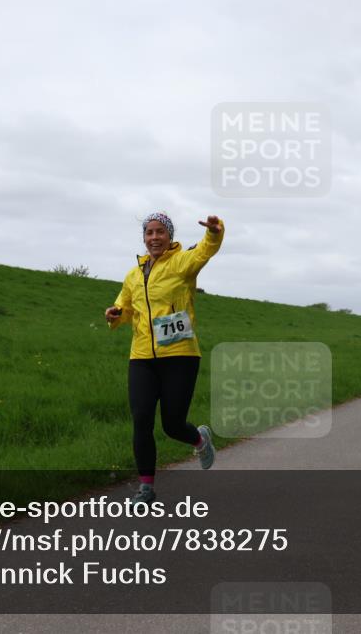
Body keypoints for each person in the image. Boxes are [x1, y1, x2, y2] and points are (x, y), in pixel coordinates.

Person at [105, 212, 224, 507]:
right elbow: (126, 306)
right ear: (144, 238)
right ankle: (146, 489)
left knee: (172, 425)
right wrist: (115, 315)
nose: (154, 237)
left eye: (160, 232)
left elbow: (205, 250)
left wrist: (214, 233)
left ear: (169, 236)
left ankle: (199, 439)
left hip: (180, 356)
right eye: (149, 233)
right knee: (141, 420)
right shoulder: (134, 275)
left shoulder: (182, 263)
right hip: (142, 357)